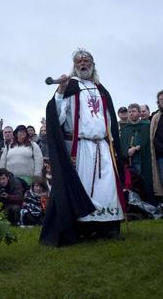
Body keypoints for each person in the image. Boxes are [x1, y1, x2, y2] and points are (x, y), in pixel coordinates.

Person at [40, 49, 125, 247]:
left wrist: (112, 143)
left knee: (107, 187)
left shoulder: (100, 88)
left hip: (102, 146)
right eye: (79, 61)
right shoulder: (70, 87)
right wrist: (60, 91)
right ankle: (83, 229)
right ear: (74, 66)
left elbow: (109, 118)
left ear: (93, 64)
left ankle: (109, 227)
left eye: (87, 61)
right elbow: (58, 117)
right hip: (81, 147)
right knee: (84, 188)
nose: (83, 64)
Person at [120, 103, 157, 206]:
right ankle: (135, 205)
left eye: (134, 111)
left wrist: (137, 147)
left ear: (139, 113)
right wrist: (127, 151)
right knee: (133, 183)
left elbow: (147, 141)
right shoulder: (125, 128)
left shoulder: (146, 126)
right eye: (130, 112)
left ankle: (149, 204)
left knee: (146, 181)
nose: (131, 114)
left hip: (144, 159)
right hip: (131, 161)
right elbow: (122, 143)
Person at [150, 90, 163, 200]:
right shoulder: (156, 117)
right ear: (158, 102)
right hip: (161, 154)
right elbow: (153, 136)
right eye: (161, 99)